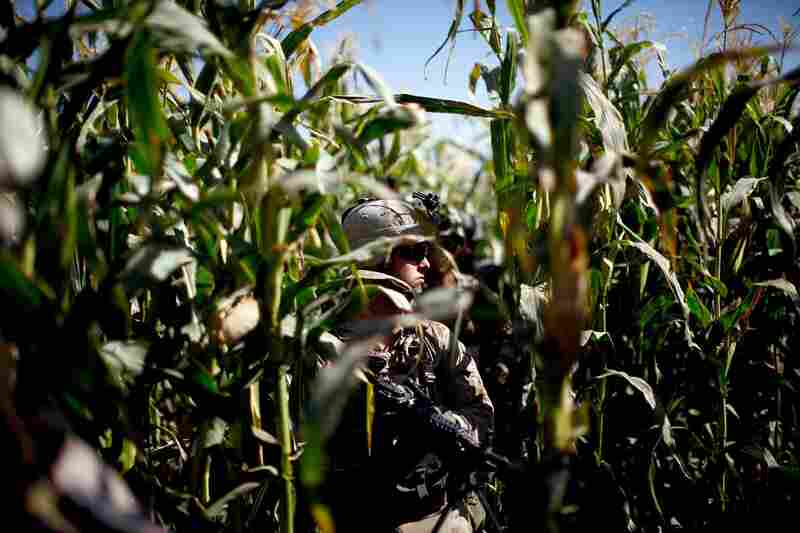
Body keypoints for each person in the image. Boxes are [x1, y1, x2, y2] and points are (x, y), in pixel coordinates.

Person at [321, 197, 494, 533]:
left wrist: (437, 420)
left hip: (431, 518)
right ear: (375, 255)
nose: (427, 264)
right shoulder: (323, 348)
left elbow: (483, 421)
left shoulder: (436, 340)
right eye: (414, 253)